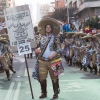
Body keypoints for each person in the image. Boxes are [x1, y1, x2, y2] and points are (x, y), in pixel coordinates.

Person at [35, 18, 63, 99]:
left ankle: (56, 93)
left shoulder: (55, 37)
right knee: (42, 77)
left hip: (54, 60)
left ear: (51, 29)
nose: (48, 29)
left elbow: (59, 49)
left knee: (55, 77)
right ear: (44, 29)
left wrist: (52, 55)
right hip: (42, 61)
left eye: (49, 27)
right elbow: (35, 46)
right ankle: (44, 93)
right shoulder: (40, 37)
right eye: (46, 27)